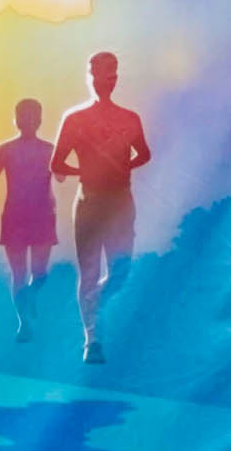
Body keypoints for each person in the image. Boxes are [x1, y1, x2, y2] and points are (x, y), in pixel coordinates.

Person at [51, 52, 154, 362]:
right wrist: (86, 170)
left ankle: (96, 306)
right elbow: (56, 164)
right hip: (90, 201)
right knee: (89, 271)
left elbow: (144, 153)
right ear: (89, 77)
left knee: (121, 270)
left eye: (111, 73)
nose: (105, 79)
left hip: (120, 201)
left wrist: (123, 166)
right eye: (98, 73)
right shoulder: (75, 119)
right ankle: (92, 339)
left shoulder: (129, 118)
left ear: (116, 78)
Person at [0, 98, 59, 341]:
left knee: (39, 273)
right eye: (24, 115)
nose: (28, 121)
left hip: (41, 215)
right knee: (20, 274)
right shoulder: (8, 149)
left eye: (31, 116)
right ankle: (23, 322)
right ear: (16, 119)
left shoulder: (49, 150)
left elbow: (61, 176)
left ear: (39, 120)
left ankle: (30, 298)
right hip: (18, 216)